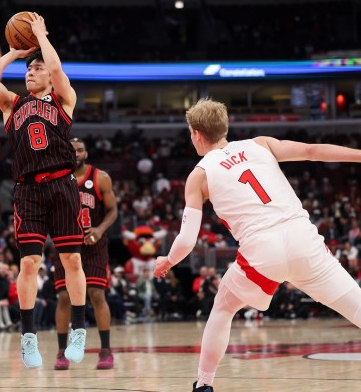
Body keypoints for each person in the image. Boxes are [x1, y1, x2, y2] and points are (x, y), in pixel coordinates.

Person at [154, 98, 361, 392]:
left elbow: (187, 239)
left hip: (262, 249)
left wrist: (168, 260)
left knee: (224, 307)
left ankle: (204, 384)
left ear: (197, 134)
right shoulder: (259, 144)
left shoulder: (199, 175)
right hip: (302, 237)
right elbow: (313, 151)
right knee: (356, 305)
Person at [0, 12, 87, 368]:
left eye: (36, 69)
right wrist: (14, 52)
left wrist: (41, 37)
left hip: (62, 184)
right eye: (29, 70)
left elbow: (57, 70)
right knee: (29, 262)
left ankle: (79, 328)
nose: (31, 73)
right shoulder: (12, 105)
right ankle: (28, 337)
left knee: (71, 259)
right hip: (27, 189)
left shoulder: (62, 99)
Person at [53, 138, 118, 370]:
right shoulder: (54, 178)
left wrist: (100, 229)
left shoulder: (100, 178)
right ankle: (62, 351)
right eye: (71, 150)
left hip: (93, 245)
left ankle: (106, 350)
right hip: (65, 246)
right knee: (64, 298)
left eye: (80, 150)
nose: (76, 153)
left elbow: (113, 210)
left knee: (96, 295)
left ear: (86, 154)